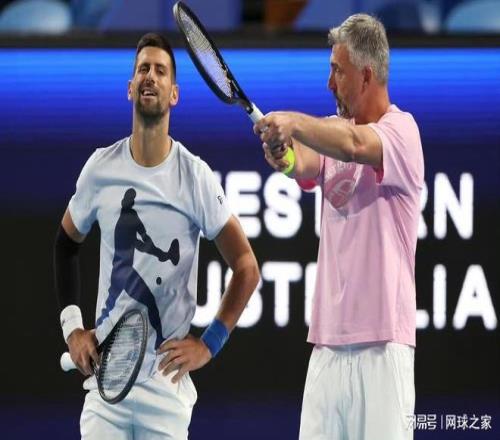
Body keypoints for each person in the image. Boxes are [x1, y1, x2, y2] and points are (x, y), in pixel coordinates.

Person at [54, 32, 260, 439]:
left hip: (166, 388)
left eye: (161, 71)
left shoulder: (195, 177)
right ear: (131, 88)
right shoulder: (100, 168)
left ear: (174, 94)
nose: (150, 76)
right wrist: (73, 329)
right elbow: (65, 246)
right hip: (106, 384)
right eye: (143, 69)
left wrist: (209, 344)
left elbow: (246, 267)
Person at [254, 14, 423, 440]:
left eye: (337, 72)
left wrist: (293, 122)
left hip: (383, 347)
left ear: (366, 76)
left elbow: (354, 144)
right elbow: (304, 161)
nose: (329, 83)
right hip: (327, 347)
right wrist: (284, 155)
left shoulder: (402, 132)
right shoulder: (335, 131)